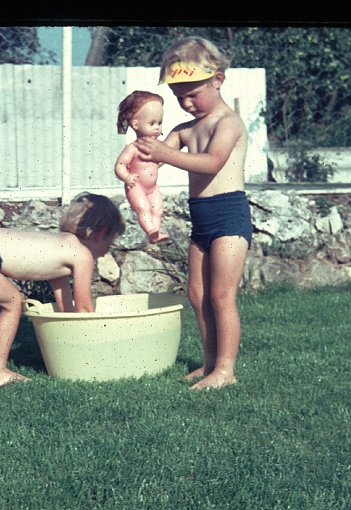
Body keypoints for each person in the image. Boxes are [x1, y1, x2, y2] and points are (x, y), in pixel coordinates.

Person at [135, 37, 252, 390]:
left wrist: (164, 154)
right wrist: (137, 155)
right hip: (200, 217)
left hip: (229, 215)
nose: (186, 103)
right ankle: (209, 362)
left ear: (218, 79)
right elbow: (154, 157)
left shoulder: (227, 123)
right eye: (178, 96)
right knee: (197, 295)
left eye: (193, 93)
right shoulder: (184, 129)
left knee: (221, 295)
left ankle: (226, 370)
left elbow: (212, 162)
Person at [0, 193, 125, 388]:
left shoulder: (60, 244)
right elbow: (84, 308)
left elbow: (66, 305)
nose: (108, 250)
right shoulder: (82, 255)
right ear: (100, 234)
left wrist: (69, 333)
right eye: (110, 243)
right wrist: (99, 346)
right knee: (12, 302)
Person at [115, 91, 169, 244]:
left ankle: (156, 233)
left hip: (152, 187)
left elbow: (161, 160)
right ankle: (150, 230)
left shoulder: (157, 146)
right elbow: (120, 165)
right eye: (152, 124)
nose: (157, 128)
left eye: (159, 123)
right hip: (136, 185)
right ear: (136, 124)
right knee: (143, 208)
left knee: (157, 208)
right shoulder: (133, 148)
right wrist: (126, 177)